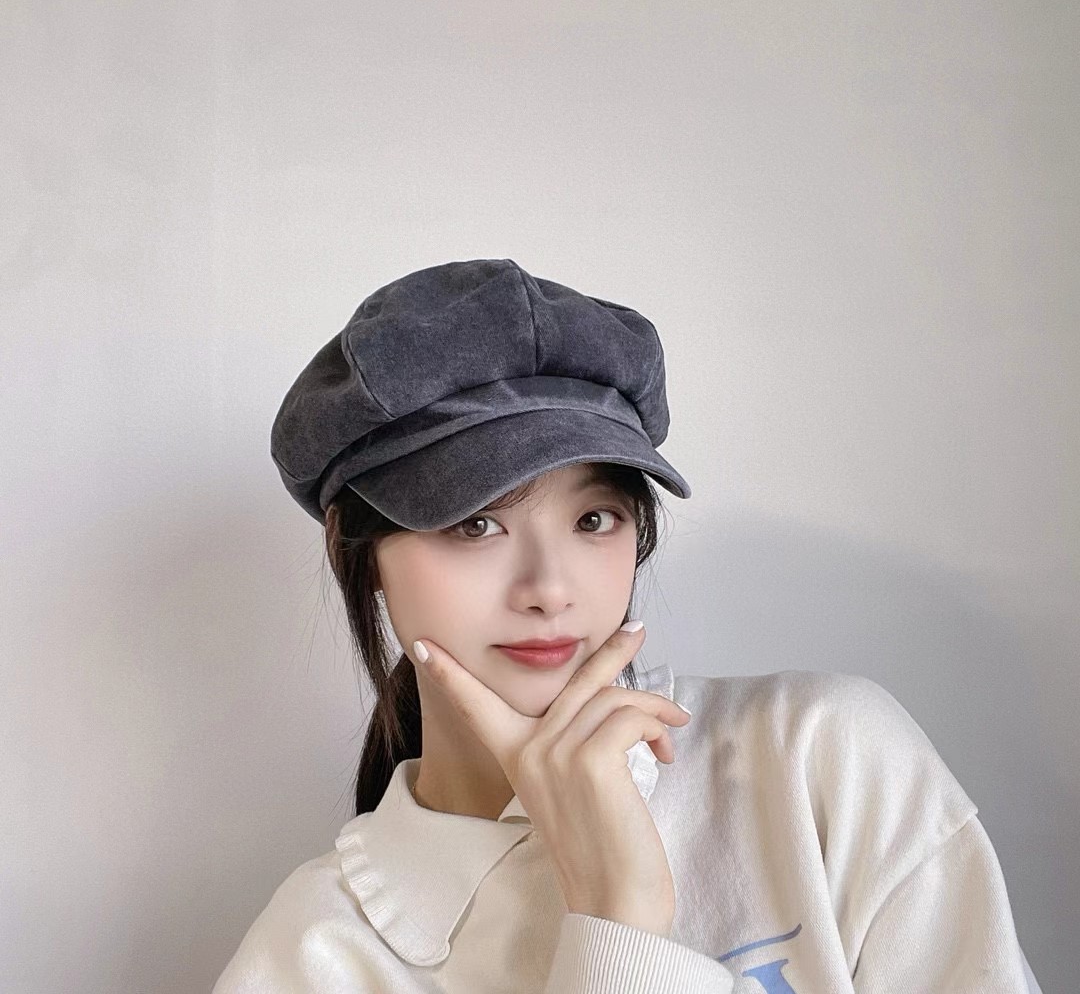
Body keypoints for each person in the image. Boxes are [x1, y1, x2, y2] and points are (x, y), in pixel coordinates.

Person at [213, 258, 1041, 993]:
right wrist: (619, 914)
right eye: (475, 523)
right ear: (355, 549)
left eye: (594, 519)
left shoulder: (819, 760)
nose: (549, 590)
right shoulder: (316, 955)